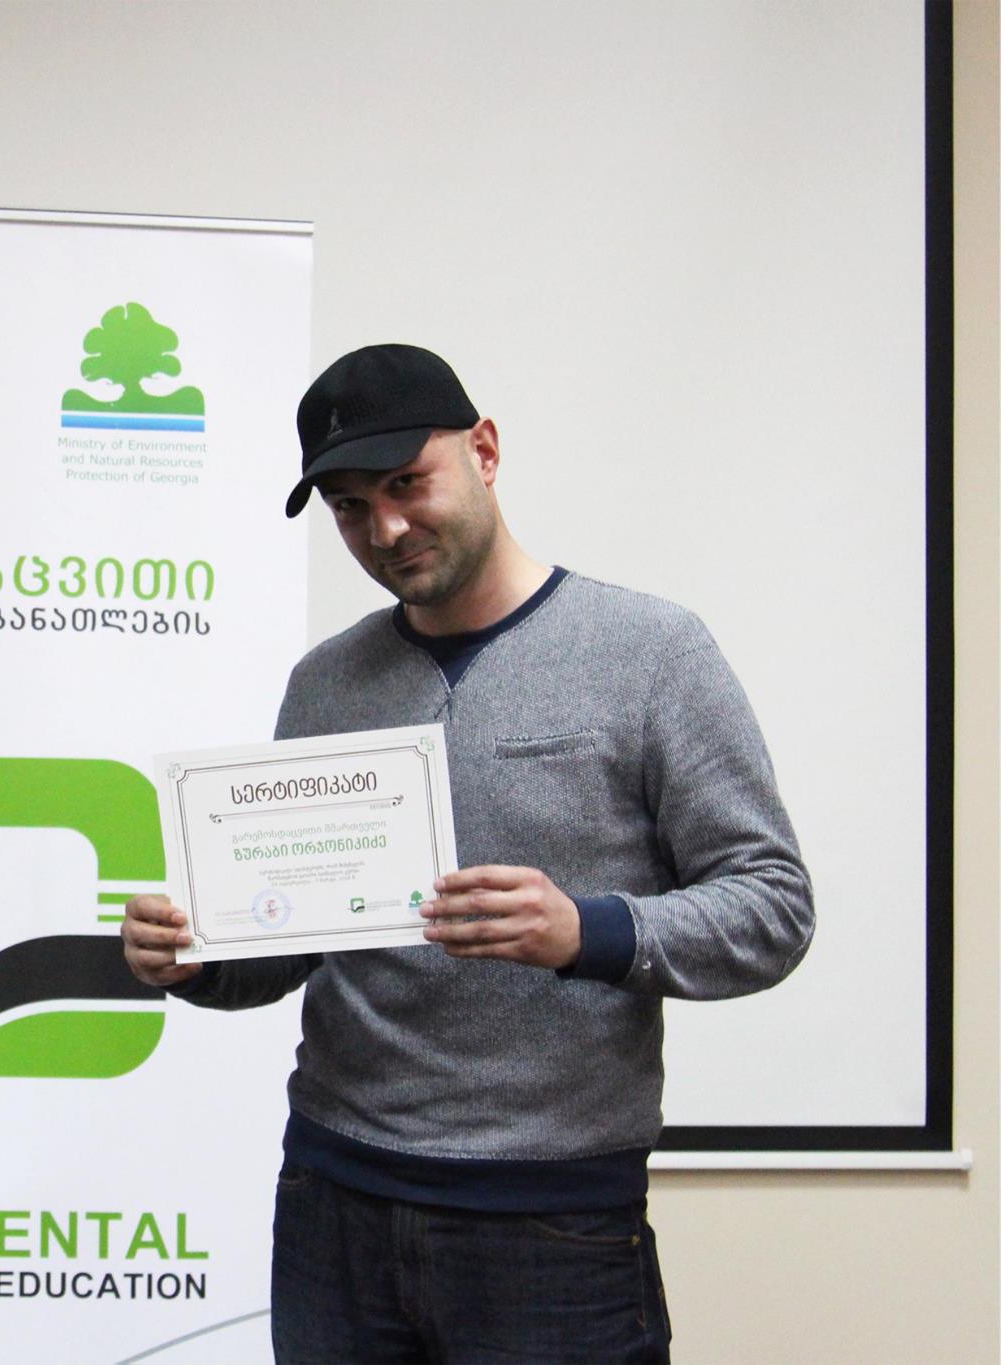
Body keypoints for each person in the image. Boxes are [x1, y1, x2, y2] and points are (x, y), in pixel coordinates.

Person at [122, 344, 813, 1364]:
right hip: (332, 1202)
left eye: (408, 483)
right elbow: (296, 941)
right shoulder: (326, 684)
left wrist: (585, 929)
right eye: (350, 507)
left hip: (552, 1223)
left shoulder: (650, 653)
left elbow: (771, 907)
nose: (386, 529)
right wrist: (195, 956)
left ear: (483, 451)